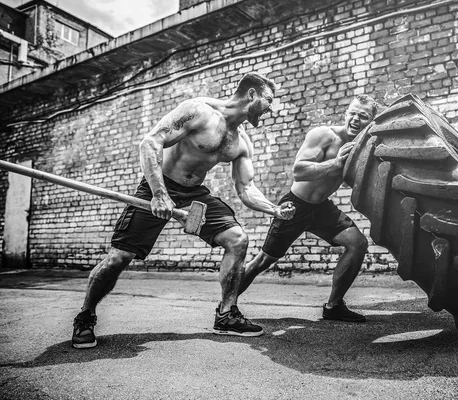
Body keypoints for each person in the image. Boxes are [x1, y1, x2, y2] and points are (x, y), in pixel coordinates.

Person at [72, 72, 296, 349]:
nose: (271, 108)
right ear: (252, 95)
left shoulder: (241, 141)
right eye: (268, 100)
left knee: (237, 239)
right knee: (120, 257)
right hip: (158, 186)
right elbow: (151, 142)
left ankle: (226, 314)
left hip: (194, 195)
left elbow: (246, 188)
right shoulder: (200, 111)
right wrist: (159, 194)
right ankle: (85, 315)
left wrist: (274, 210)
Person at [238, 94, 378, 322]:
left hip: (322, 209)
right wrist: (334, 163)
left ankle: (333, 307)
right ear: (345, 114)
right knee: (263, 261)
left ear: (371, 122)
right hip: (296, 205)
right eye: (352, 113)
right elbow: (299, 171)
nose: (355, 119)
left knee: (357, 244)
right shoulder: (324, 135)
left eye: (362, 116)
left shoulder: (362, 147)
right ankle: (226, 306)